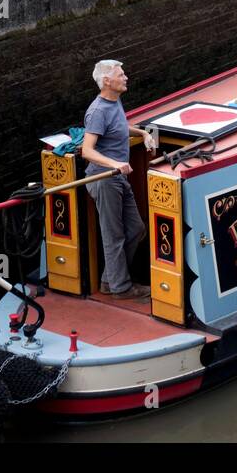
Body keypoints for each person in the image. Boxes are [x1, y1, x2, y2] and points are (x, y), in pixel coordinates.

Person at [80, 59, 156, 300]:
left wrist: (143, 133)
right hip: (104, 178)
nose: (126, 78)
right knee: (114, 235)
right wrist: (115, 164)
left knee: (136, 228)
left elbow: (120, 127)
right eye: (120, 75)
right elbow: (87, 151)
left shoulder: (114, 102)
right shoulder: (98, 111)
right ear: (106, 81)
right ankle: (121, 288)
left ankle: (107, 280)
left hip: (117, 177)